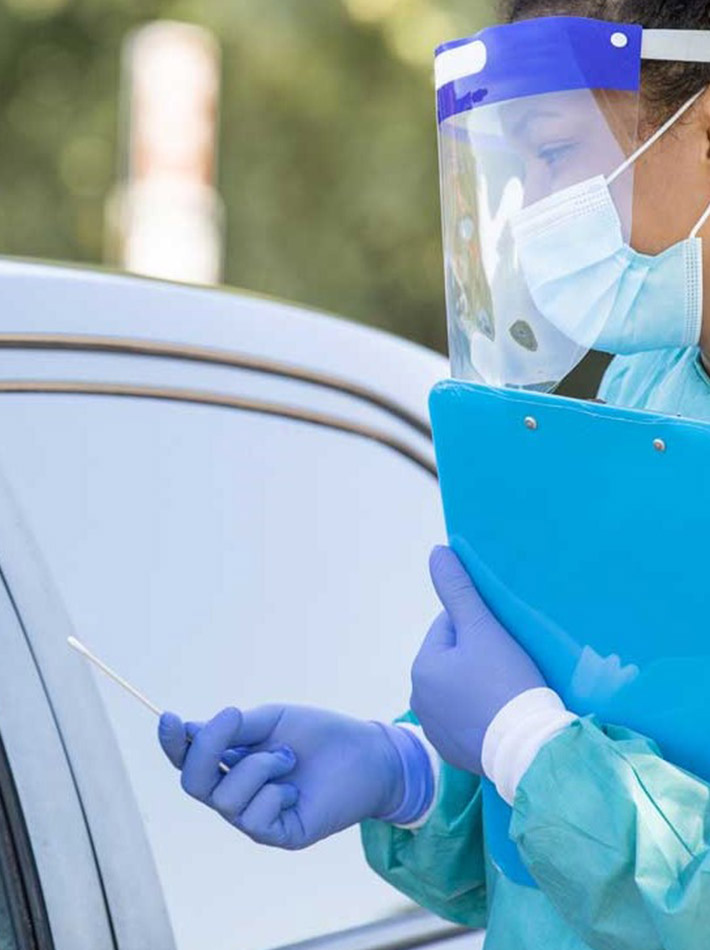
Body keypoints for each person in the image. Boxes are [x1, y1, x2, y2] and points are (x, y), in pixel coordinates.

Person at [158, 3, 710, 948]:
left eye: (551, 155)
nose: (536, 210)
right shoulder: (641, 395)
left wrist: (522, 742)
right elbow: (556, 882)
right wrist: (414, 777)